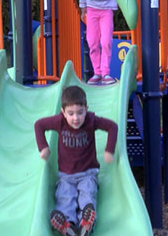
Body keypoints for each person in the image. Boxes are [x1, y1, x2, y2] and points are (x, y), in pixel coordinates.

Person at [34, 85, 118, 236]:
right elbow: (39, 125)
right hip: (66, 175)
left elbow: (112, 127)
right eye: (70, 113)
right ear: (63, 112)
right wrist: (43, 147)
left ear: (86, 108)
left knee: (87, 194)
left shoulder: (91, 120)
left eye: (80, 113)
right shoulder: (59, 121)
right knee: (65, 197)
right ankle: (68, 226)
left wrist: (109, 150)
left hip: (88, 173)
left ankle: (86, 223)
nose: (76, 118)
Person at [79, 0, 118, 85]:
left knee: (106, 41)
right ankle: (97, 72)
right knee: (92, 41)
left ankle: (105, 72)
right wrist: (83, 7)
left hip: (107, 7)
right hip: (92, 7)